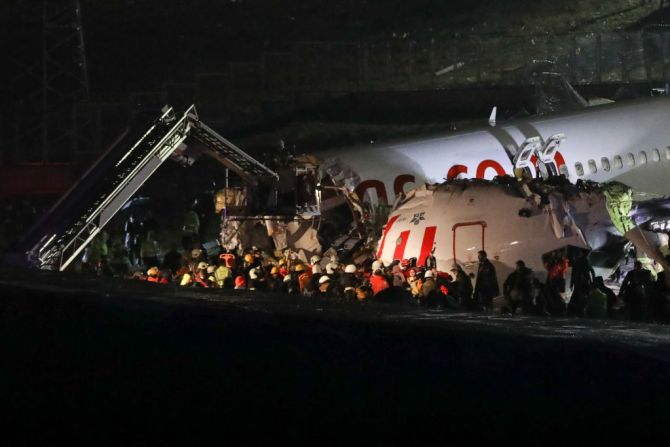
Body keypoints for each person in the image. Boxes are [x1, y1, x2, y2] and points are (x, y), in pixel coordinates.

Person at [568, 251, 595, 317]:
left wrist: (571, 283)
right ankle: (579, 309)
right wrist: (593, 280)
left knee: (577, 294)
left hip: (579, 281)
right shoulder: (585, 261)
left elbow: (573, 273)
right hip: (583, 281)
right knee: (582, 295)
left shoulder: (579, 261)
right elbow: (592, 271)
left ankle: (574, 309)